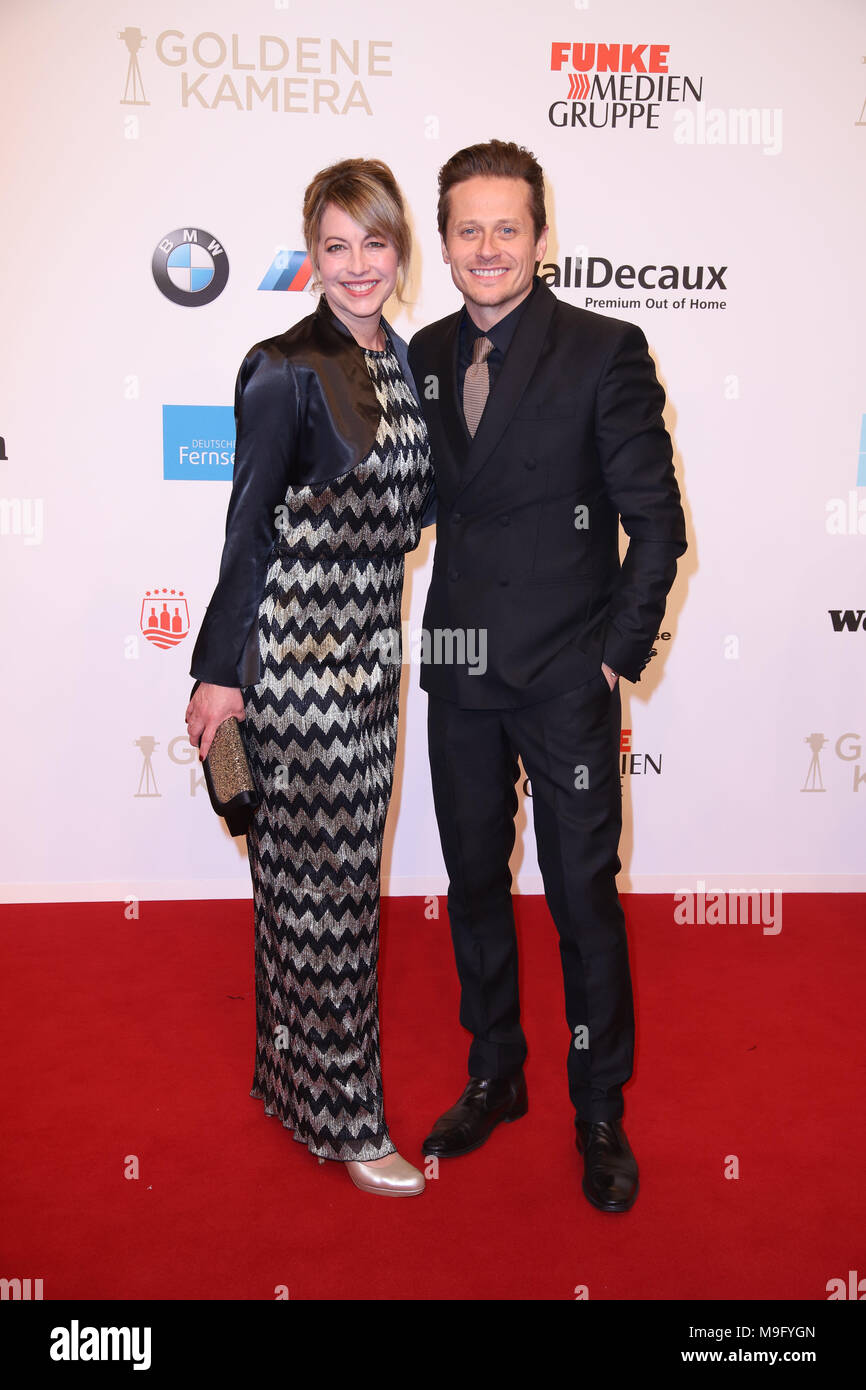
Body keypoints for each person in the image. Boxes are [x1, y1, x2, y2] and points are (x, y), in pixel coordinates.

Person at [408, 140, 687, 1213]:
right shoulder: (421, 354)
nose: (486, 246)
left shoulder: (602, 349)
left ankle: (597, 1103)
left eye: (505, 226)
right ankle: (494, 1072)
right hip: (454, 663)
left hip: (564, 672)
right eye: (466, 228)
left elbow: (654, 525)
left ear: (540, 236)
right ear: (442, 243)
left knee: (580, 898)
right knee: (472, 885)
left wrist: (611, 656)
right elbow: (410, 502)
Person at [185, 158, 435, 1198]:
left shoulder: (409, 360)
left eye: (373, 243)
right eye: (335, 246)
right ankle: (347, 1120)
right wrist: (217, 676)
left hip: (370, 661)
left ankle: (288, 1083)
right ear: (310, 255)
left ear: (398, 249)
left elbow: (412, 513)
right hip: (296, 673)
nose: (357, 265)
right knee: (328, 899)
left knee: (304, 889)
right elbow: (246, 531)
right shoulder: (282, 366)